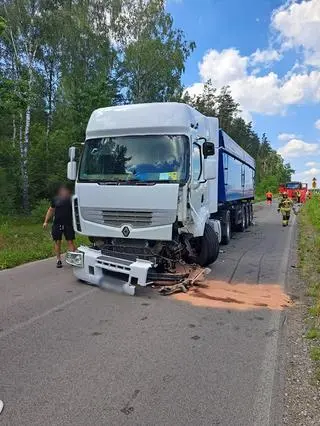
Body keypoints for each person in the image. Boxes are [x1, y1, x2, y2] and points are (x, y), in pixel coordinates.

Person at [43, 184, 76, 268]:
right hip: (57, 223)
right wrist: (46, 221)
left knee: (70, 241)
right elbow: (51, 210)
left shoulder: (72, 199)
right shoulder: (56, 199)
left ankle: (73, 260)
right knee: (57, 242)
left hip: (68, 223)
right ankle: (58, 260)